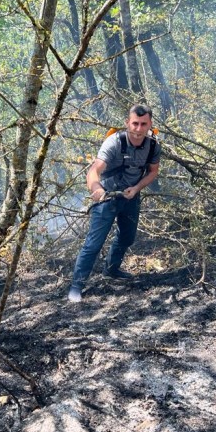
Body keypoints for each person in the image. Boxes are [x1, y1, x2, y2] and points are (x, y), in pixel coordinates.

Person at [68, 104, 162, 303]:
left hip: (131, 197)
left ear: (150, 124)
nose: (138, 129)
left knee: (127, 237)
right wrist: (96, 189)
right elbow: (94, 170)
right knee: (93, 244)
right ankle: (76, 286)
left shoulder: (153, 145)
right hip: (107, 198)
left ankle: (111, 269)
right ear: (127, 123)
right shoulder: (114, 143)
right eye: (134, 123)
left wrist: (136, 189)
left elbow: (153, 171)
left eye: (143, 124)